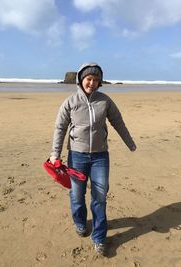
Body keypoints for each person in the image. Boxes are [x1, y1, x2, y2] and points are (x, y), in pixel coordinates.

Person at [49, 62, 136, 256]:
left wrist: (129, 142)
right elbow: (60, 128)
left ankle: (98, 237)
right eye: (89, 79)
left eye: (96, 80)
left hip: (100, 157)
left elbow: (117, 122)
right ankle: (80, 222)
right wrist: (55, 154)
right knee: (77, 196)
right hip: (77, 156)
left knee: (100, 196)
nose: (92, 83)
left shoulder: (105, 101)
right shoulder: (70, 102)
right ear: (81, 79)